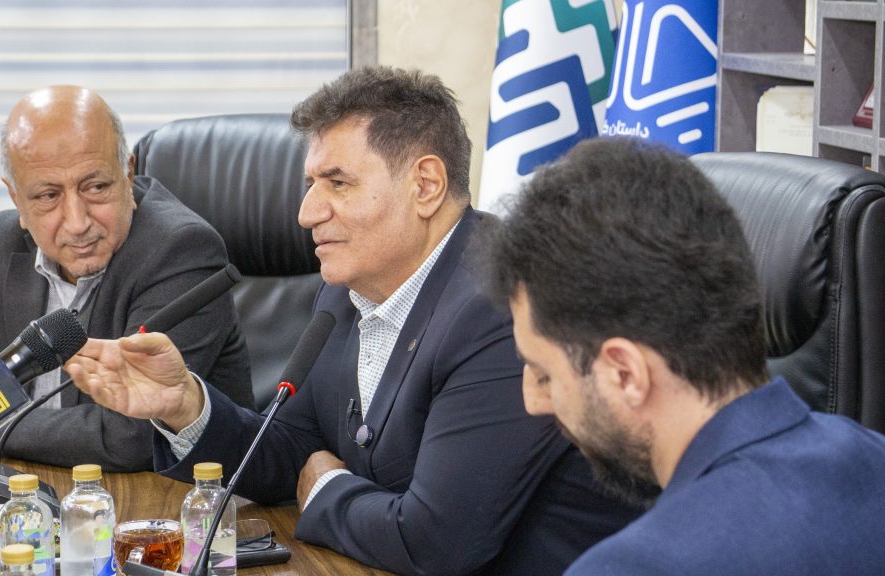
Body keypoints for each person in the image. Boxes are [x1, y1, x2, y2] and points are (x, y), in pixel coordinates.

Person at [66, 66, 640, 575]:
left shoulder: (501, 306)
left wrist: (326, 488)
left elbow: (435, 542)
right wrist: (185, 405)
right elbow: (289, 448)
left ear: (426, 185)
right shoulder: (345, 290)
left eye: (338, 183)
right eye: (310, 185)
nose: (306, 213)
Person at [487, 137, 885, 575]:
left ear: (625, 373)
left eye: (544, 373)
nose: (534, 402)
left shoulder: (634, 567)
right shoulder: (875, 459)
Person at [0, 86, 253, 471]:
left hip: (162, 499)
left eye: (96, 187)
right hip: (24, 491)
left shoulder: (181, 250)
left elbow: (132, 436)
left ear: (128, 173)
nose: (78, 222)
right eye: (48, 196)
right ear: (16, 199)